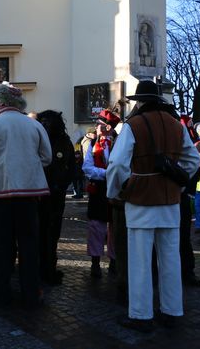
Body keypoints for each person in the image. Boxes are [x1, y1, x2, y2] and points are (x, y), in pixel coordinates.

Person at [107, 80, 200, 332]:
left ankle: (141, 315)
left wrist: (117, 189)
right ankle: (172, 311)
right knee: (170, 258)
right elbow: (193, 161)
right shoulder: (175, 125)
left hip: (140, 202)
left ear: (140, 101)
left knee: (140, 261)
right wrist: (177, 184)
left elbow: (116, 165)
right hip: (169, 200)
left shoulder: (133, 125)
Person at [0, 82, 51, 308]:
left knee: (1, 247)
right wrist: (27, 166)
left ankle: (2, 294)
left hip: (0, 196)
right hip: (29, 197)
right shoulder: (33, 126)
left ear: (2, 101)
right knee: (29, 246)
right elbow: (47, 158)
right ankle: (31, 293)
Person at [36, 110, 75, 285]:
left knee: (53, 231)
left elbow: (72, 167)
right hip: (38, 194)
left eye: (48, 121)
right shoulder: (36, 139)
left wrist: (62, 185)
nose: (44, 124)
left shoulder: (64, 141)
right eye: (42, 121)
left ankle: (50, 267)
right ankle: (39, 268)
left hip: (56, 194)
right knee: (39, 231)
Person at [83, 109, 121, 278]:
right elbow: (87, 168)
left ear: (108, 127)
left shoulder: (120, 144)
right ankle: (95, 263)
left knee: (115, 227)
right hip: (98, 191)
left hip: (115, 191)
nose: (96, 128)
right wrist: (107, 173)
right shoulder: (92, 144)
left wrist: (109, 173)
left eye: (99, 125)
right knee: (96, 227)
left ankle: (114, 261)